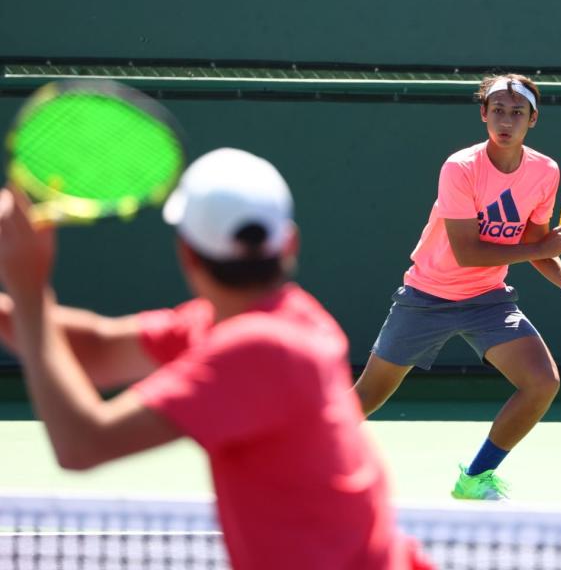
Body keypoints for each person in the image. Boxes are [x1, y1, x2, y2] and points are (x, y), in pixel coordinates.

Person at [0, 148, 431, 570]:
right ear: (289, 243)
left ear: (186, 254)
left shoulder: (258, 350)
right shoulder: (277, 320)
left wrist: (28, 287)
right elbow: (98, 348)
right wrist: (24, 298)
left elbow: (82, 444)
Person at [353, 74, 561, 501]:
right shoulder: (461, 167)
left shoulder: (544, 172)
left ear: (532, 120)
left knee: (542, 383)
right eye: (498, 111)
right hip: (427, 296)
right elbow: (468, 251)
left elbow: (537, 249)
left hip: (487, 299)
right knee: (365, 398)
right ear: (484, 114)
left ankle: (475, 478)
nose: (506, 121)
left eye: (517, 113)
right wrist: (540, 246)